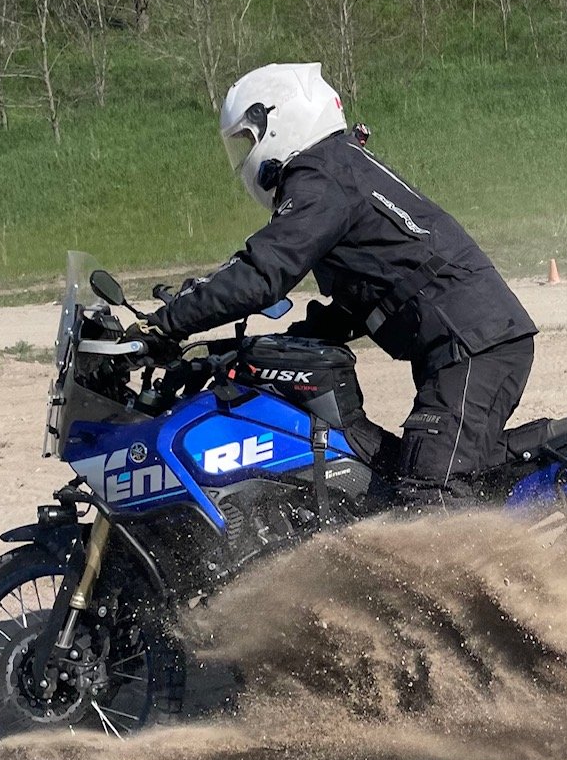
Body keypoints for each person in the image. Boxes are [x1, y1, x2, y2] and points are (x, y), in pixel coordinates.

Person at [138, 62, 537, 507]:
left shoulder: (321, 177)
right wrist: (249, 354)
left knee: (430, 501)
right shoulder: (338, 167)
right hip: (469, 342)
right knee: (402, 473)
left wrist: (164, 324)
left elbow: (262, 271)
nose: (245, 157)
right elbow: (371, 291)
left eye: (246, 140)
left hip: (475, 347)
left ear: (278, 120)